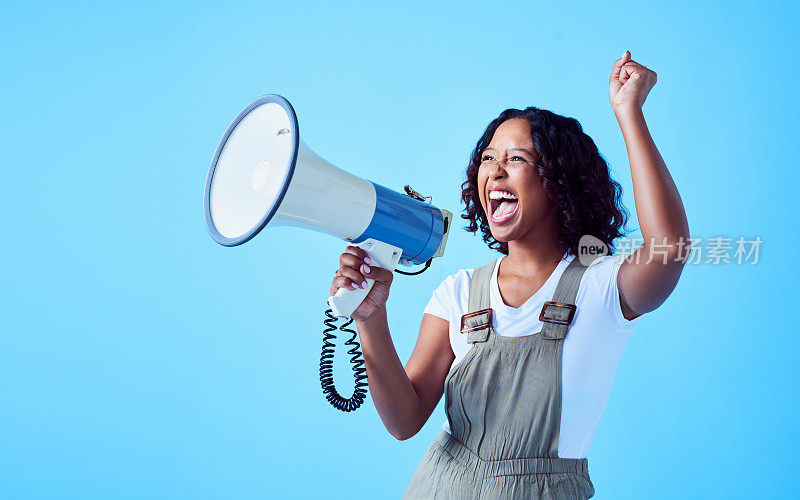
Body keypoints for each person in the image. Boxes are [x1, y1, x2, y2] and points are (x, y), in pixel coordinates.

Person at [330, 50, 689, 499]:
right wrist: (368, 318)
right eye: (487, 157)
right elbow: (404, 421)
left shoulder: (601, 287)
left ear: (558, 181)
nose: (495, 170)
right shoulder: (458, 292)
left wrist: (628, 112)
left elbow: (668, 249)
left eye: (517, 158)